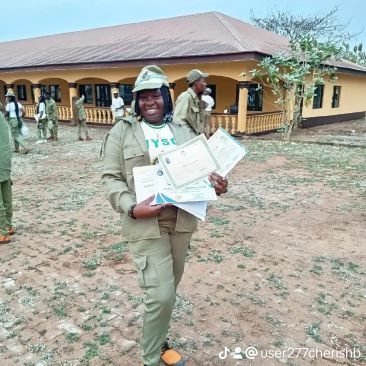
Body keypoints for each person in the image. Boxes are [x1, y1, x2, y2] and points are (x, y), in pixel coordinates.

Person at [101, 65, 228, 366]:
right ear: (136, 101)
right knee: (159, 295)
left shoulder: (184, 132)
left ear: (166, 98)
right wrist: (131, 206)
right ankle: (151, 359)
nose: (150, 102)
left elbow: (205, 173)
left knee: (168, 290)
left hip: (182, 220)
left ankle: (159, 341)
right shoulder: (123, 132)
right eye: (143, 97)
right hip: (145, 222)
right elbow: (110, 178)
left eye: (155, 95)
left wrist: (218, 185)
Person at [173, 68, 209, 135]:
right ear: (196, 82)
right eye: (203, 81)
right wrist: (193, 137)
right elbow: (178, 123)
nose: (205, 84)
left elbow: (199, 124)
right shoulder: (185, 97)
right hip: (189, 140)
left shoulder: (197, 100)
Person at [0, 102, 15, 244]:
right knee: (6, 195)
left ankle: (2, 232)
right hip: (4, 161)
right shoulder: (1, 117)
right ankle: (8, 225)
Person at [4, 89, 29, 154]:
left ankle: (25, 146)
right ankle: (17, 149)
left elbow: (6, 114)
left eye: (7, 97)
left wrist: (3, 118)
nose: (6, 98)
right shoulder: (18, 104)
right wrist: (21, 117)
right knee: (17, 134)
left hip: (13, 120)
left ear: (9, 97)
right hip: (19, 119)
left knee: (15, 135)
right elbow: (24, 112)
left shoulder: (9, 105)